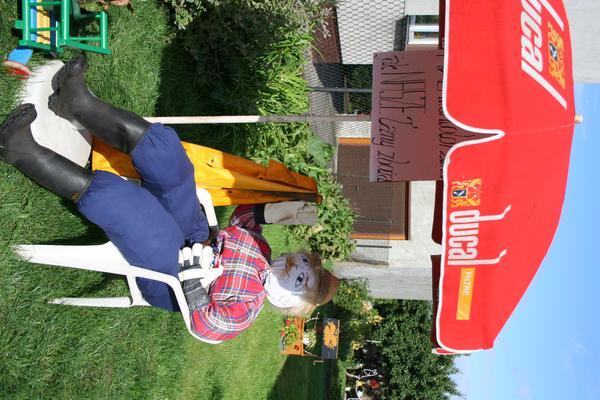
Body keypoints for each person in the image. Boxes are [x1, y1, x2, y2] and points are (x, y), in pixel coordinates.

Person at [0, 55, 339, 342]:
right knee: (168, 158)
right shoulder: (262, 251)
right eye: (305, 263)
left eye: (302, 281)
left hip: (173, 277)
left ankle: (20, 151)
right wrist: (279, 212)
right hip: (198, 235)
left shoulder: (247, 307)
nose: (297, 267)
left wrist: (193, 281)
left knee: (132, 208)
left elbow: (208, 328)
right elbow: (241, 221)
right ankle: (76, 103)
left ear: (292, 303)